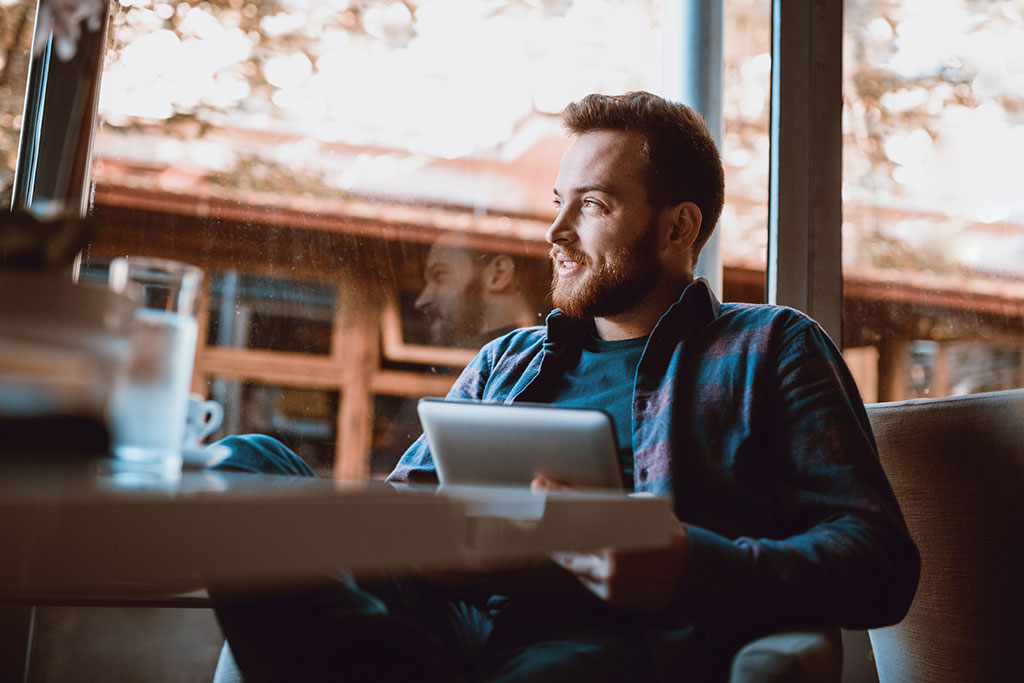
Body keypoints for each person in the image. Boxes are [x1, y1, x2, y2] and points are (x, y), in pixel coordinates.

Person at [212, 91, 919, 682]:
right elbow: (409, 503)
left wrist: (691, 566)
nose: (555, 230)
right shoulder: (507, 361)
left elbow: (880, 560)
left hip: (608, 645)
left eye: (593, 205)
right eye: (558, 202)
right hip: (450, 619)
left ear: (680, 226)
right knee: (242, 467)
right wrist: (437, 543)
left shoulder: (770, 346)